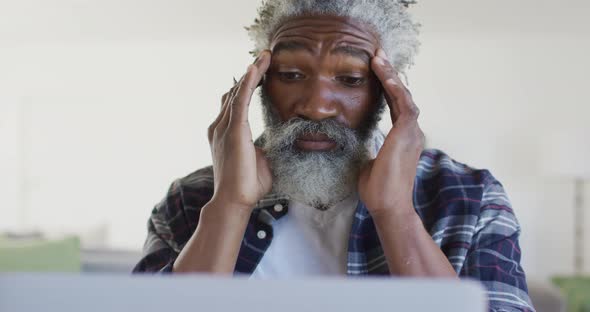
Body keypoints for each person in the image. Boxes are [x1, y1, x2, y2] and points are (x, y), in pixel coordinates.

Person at [133, 1, 536, 311]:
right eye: (291, 75)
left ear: (386, 90)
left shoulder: (468, 198)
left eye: (349, 79)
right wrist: (230, 206)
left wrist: (395, 213)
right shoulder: (189, 201)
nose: (317, 106)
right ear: (257, 84)